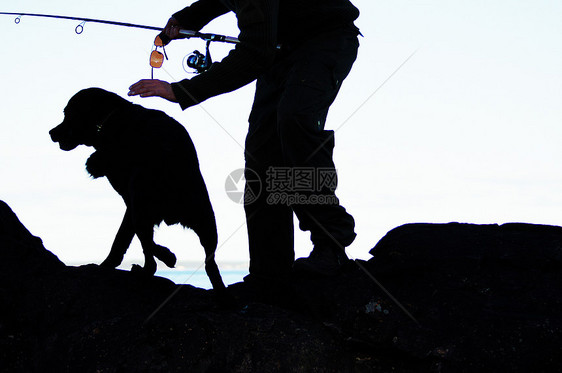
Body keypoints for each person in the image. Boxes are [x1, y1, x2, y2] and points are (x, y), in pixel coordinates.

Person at [128, 0, 360, 284]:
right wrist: (190, 17)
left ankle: (331, 242)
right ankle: (270, 272)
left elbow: (254, 54)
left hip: (325, 40)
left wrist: (182, 90)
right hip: (280, 50)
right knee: (262, 152)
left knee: (294, 121)